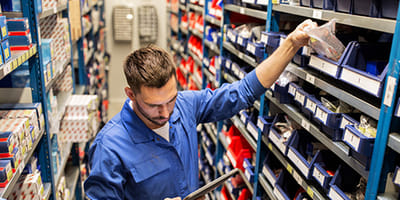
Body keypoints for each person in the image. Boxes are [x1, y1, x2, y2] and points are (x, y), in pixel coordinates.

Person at [84, 19, 317, 200]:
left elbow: (243, 91)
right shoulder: (110, 147)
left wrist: (291, 44)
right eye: (154, 106)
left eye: (171, 100)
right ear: (130, 95)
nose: (166, 113)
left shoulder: (185, 105)